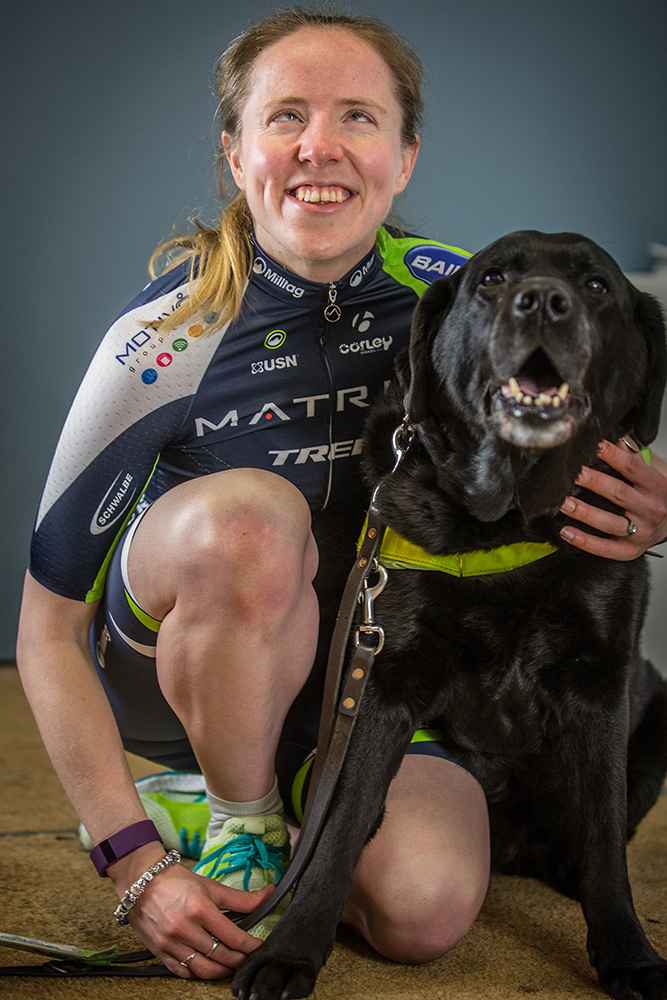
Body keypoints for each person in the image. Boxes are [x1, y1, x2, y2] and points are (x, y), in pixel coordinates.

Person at [16, 5, 667, 984]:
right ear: (235, 151)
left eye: (357, 116)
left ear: (403, 158)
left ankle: (285, 799)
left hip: (357, 683)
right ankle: (230, 814)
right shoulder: (163, 339)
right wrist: (130, 860)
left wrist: (645, 505)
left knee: (424, 907)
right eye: (285, 115)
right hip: (180, 669)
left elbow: (574, 408)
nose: (318, 146)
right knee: (255, 521)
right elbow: (46, 632)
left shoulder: (462, 299)